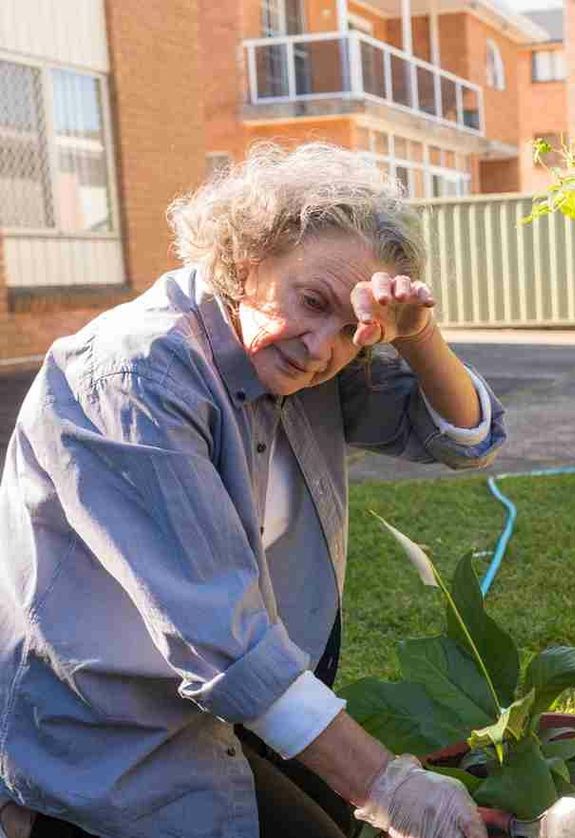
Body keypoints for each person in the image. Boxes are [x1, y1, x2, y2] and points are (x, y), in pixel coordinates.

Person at [0, 143, 505, 838]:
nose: (321, 345)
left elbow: (463, 438)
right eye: (312, 301)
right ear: (247, 259)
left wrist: (416, 337)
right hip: (109, 729)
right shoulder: (133, 378)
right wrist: (387, 785)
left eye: (352, 330)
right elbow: (218, 635)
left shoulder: (310, 361)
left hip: (250, 705)